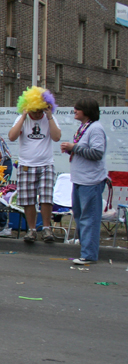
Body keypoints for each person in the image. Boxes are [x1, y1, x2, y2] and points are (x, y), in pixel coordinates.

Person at [7, 88, 61, 243]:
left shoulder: (49, 118)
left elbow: (57, 137)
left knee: (46, 197)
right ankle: (31, 230)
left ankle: (46, 228)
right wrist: (24, 116)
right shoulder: (22, 119)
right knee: (28, 199)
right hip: (26, 164)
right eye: (34, 111)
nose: (38, 114)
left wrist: (49, 116)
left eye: (40, 110)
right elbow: (12, 137)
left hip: (46, 164)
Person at [60, 98, 108, 265]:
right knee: (81, 217)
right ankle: (85, 249)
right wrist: (70, 150)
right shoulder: (84, 128)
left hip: (91, 181)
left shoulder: (95, 129)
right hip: (80, 180)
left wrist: (74, 148)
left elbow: (97, 153)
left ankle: (89, 254)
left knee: (89, 219)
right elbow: (84, 152)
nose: (75, 110)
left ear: (86, 111)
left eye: (78, 108)